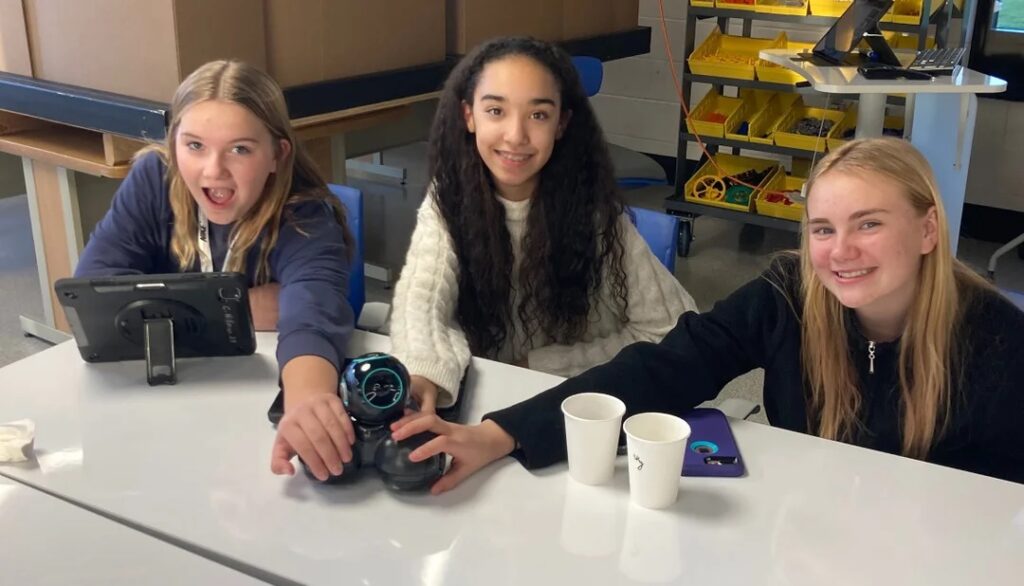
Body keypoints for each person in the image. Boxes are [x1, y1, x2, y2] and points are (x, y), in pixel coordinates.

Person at [391, 137, 1024, 492]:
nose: (841, 253)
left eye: (870, 225)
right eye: (823, 229)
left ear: (927, 230)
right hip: (807, 538)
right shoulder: (788, 295)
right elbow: (666, 367)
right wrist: (503, 432)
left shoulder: (998, 343)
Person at [75, 60, 358, 482]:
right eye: (194, 146)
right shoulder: (155, 178)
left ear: (277, 155)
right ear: (173, 145)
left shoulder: (304, 215)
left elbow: (310, 315)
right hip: (164, 409)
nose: (213, 170)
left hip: (247, 407)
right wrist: (238, 306)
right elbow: (94, 297)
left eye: (240, 149)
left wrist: (306, 402)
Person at [389, 37, 697, 413]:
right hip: (489, 406)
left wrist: (543, 366)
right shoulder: (449, 199)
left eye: (538, 115)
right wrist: (424, 373)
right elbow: (421, 299)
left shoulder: (593, 212)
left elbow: (675, 329)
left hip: (577, 408)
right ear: (469, 116)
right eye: (495, 111)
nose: (516, 136)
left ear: (561, 123)